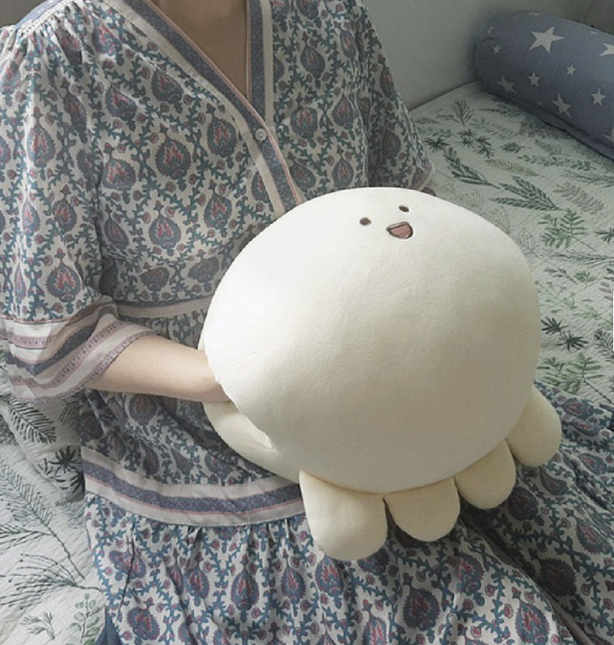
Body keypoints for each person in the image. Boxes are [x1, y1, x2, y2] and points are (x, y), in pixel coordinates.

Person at [0, 1, 610, 644]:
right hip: (208, 413)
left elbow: (407, 200)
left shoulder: (331, 16)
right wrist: (245, 374)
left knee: (571, 537)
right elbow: (54, 335)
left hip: (397, 359)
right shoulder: (54, 59)